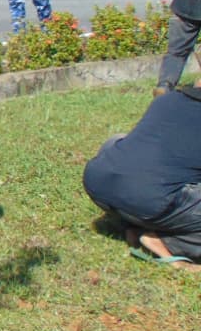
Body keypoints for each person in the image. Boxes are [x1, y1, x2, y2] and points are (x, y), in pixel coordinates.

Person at [83, 88, 201, 271]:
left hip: (100, 183)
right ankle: (163, 241)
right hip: (150, 199)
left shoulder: (168, 99)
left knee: (119, 139)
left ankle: (130, 222)